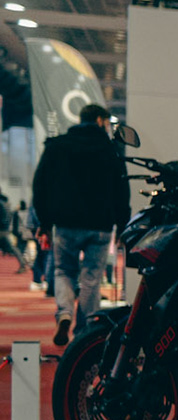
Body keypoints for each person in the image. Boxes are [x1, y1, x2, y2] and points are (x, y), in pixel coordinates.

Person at [31, 104, 130, 346]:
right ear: (99, 120)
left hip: (66, 224)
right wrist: (122, 224)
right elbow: (122, 189)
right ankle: (85, 333)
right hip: (101, 226)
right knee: (91, 278)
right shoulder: (111, 149)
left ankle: (64, 313)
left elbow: (40, 185)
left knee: (64, 271)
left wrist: (44, 222)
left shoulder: (57, 146)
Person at [0, 190, 29, 273]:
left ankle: (23, 264)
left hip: (1, 229)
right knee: (12, 248)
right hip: (4, 229)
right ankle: (23, 263)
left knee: (12, 248)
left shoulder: (1, 203)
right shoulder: (6, 203)